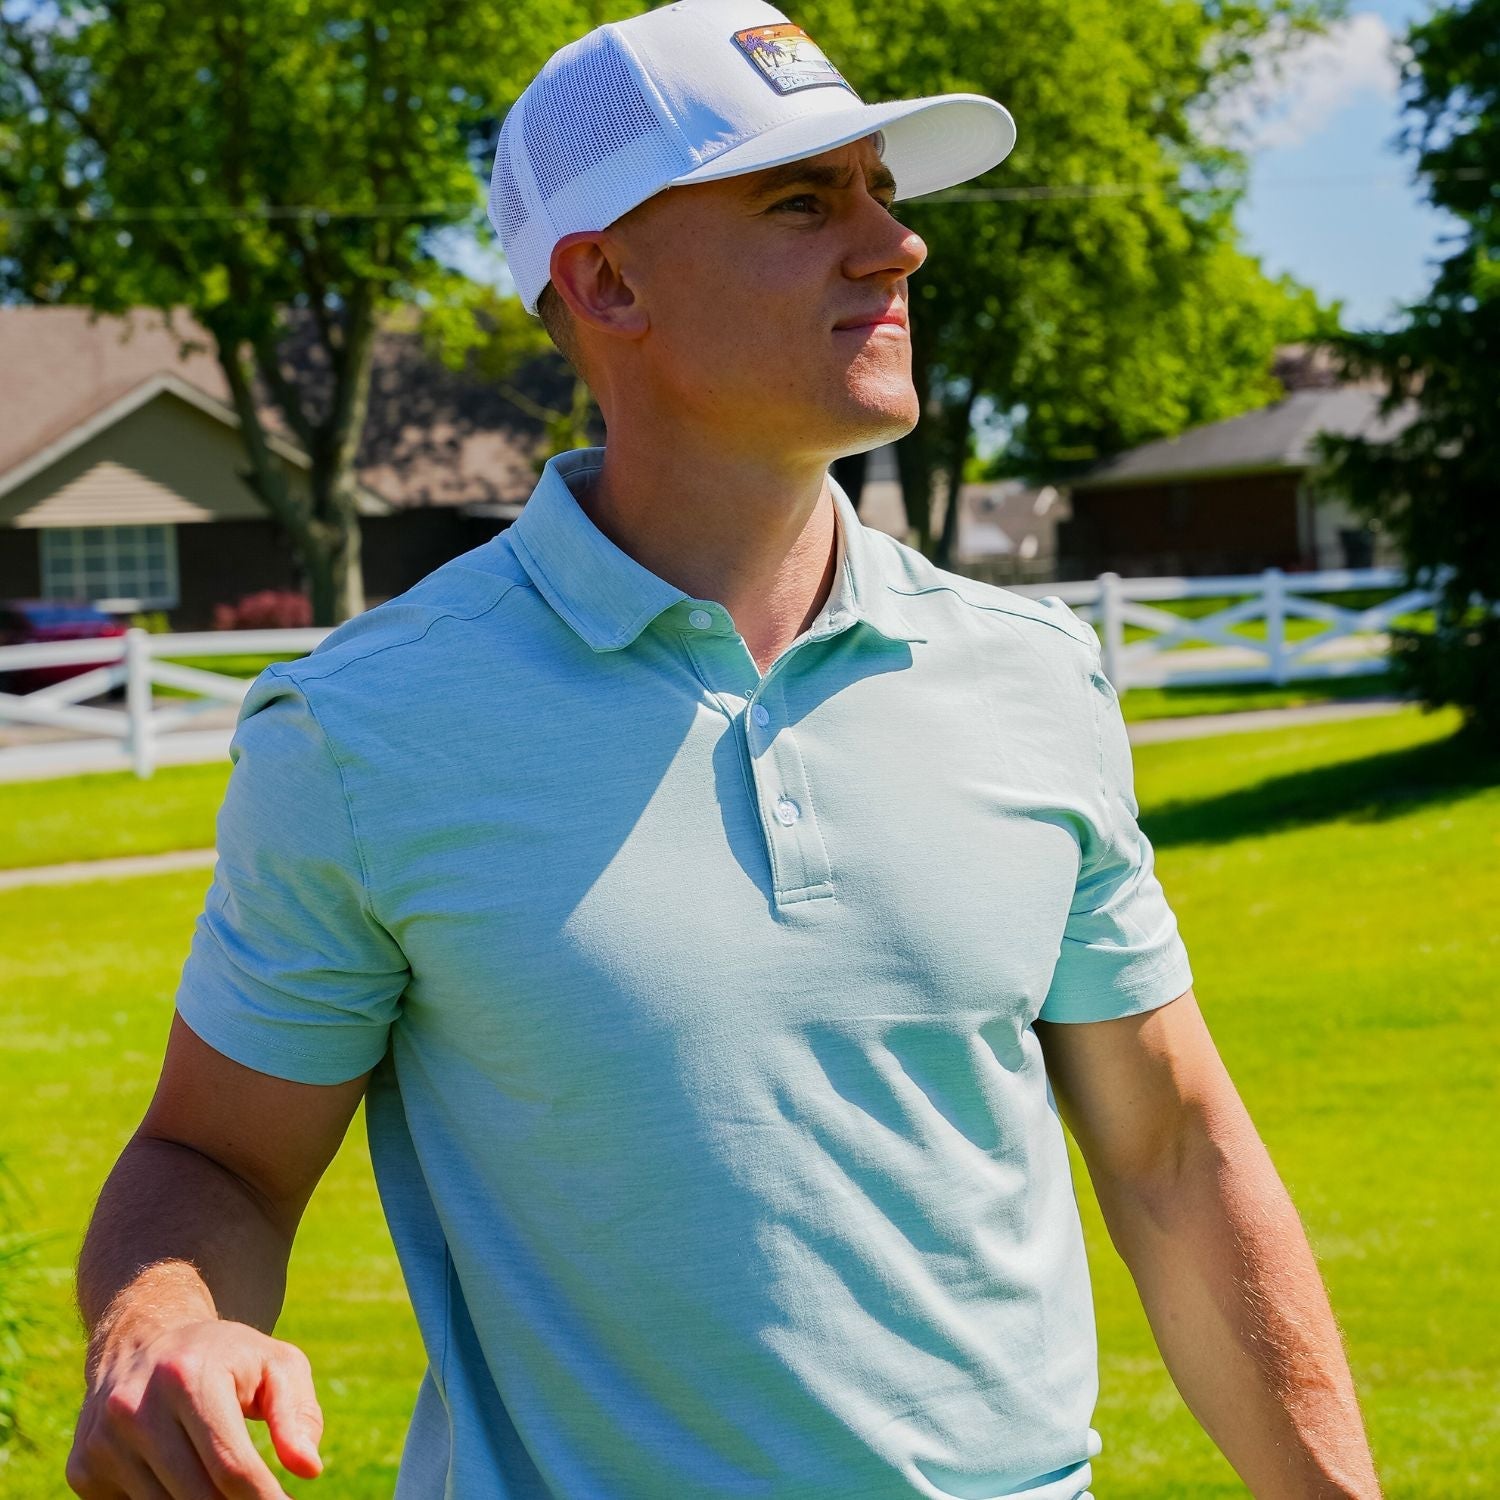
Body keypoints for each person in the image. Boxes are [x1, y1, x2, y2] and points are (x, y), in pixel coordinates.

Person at [66, 1, 1385, 1496]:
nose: (897, 246)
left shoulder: (1033, 677)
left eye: (883, 192)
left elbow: (1175, 1159)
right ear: (610, 280)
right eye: (803, 199)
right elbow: (212, 1162)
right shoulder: (367, 732)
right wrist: (162, 1320)